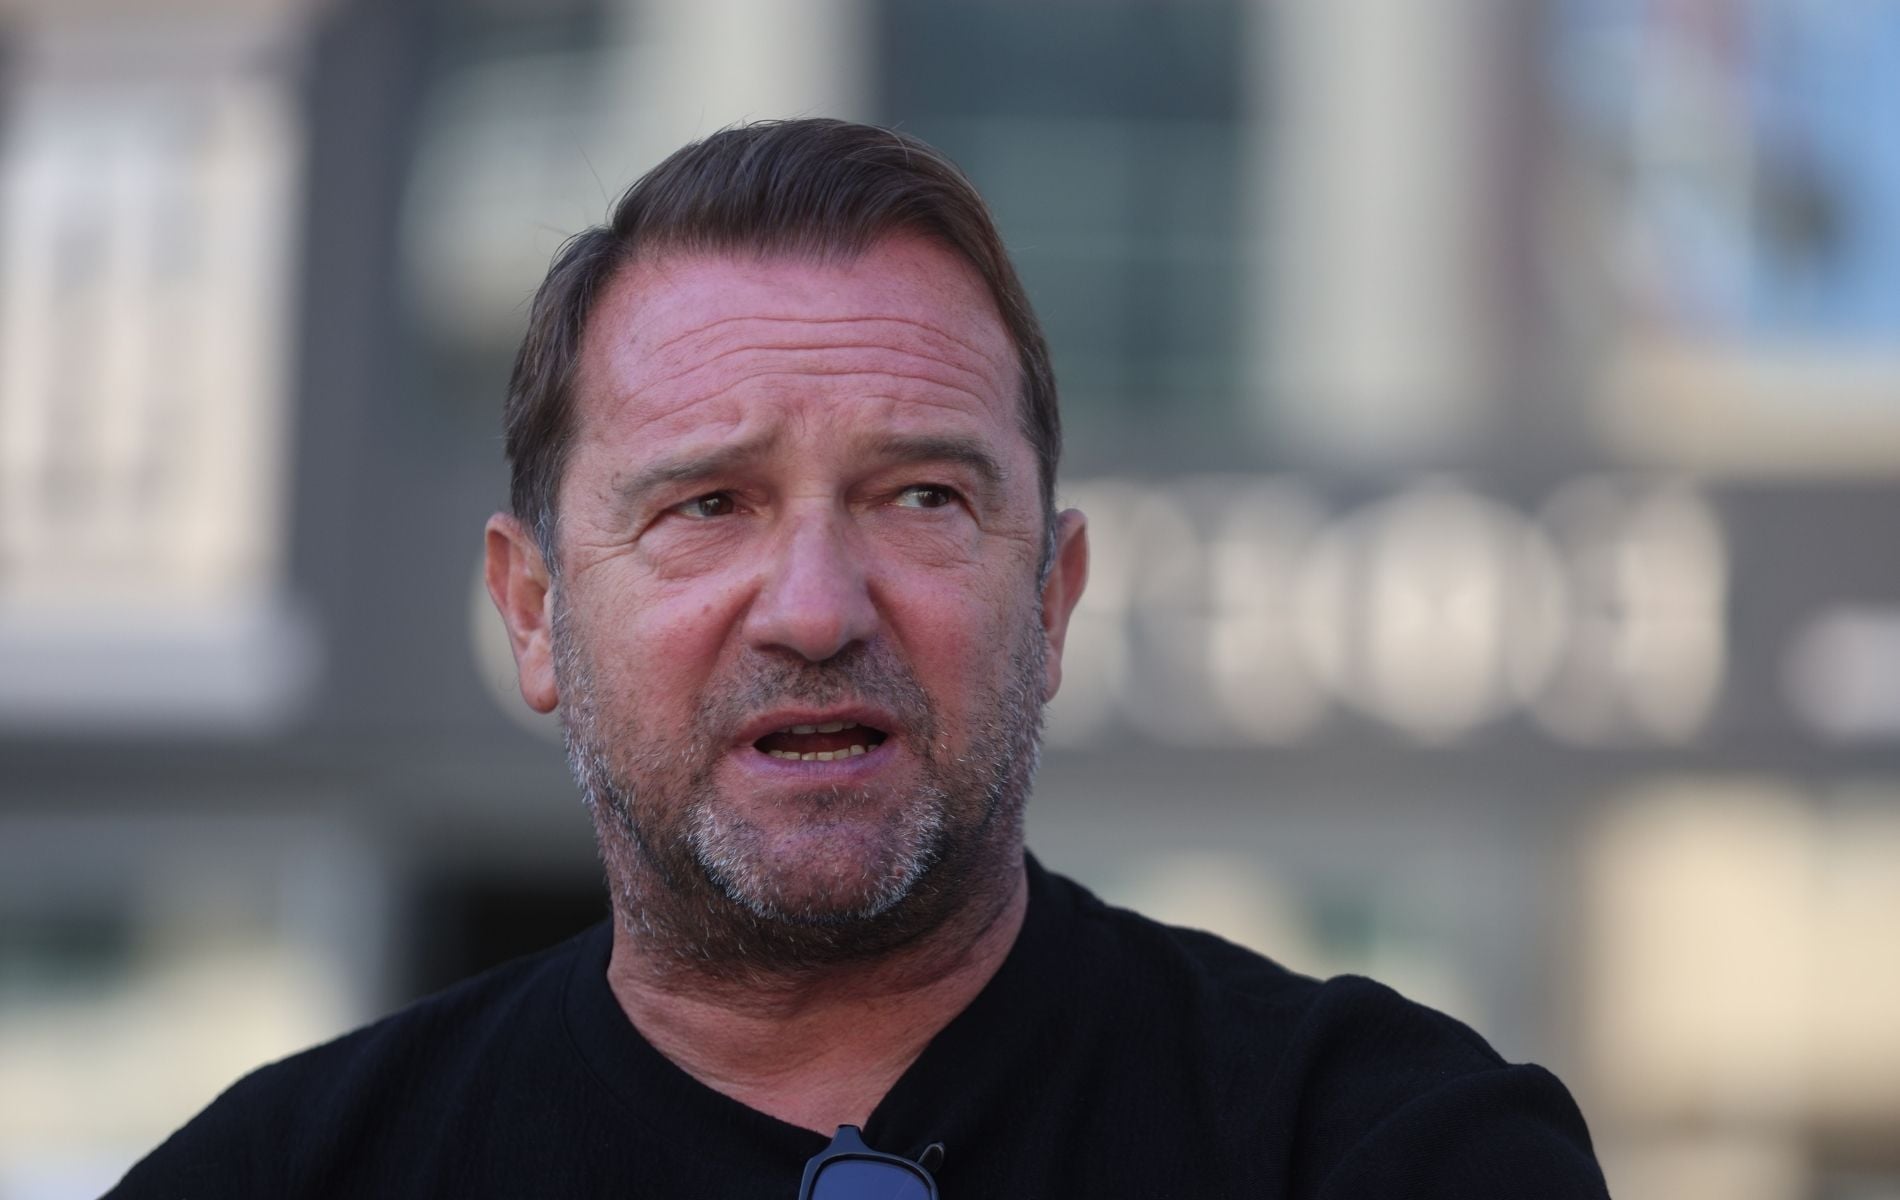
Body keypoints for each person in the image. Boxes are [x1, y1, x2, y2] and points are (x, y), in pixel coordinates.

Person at [109, 119, 1610, 1198]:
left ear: (1054, 599)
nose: (817, 610)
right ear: (532, 612)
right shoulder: (276, 1174)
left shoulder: (1383, 1142)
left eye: (922, 498)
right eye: (709, 506)